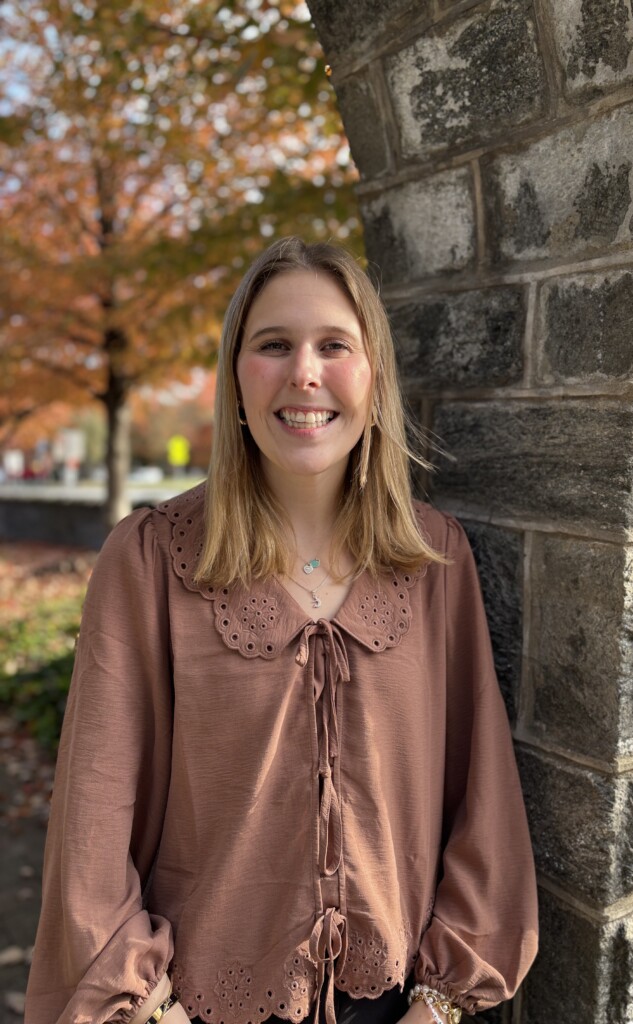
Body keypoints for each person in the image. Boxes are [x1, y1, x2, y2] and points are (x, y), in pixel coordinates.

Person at [25, 237, 538, 1024]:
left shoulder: (436, 564)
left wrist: (437, 1006)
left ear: (372, 379)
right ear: (236, 376)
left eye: (335, 345)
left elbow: (486, 803)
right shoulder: (149, 562)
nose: (305, 372)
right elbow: (91, 831)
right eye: (273, 345)